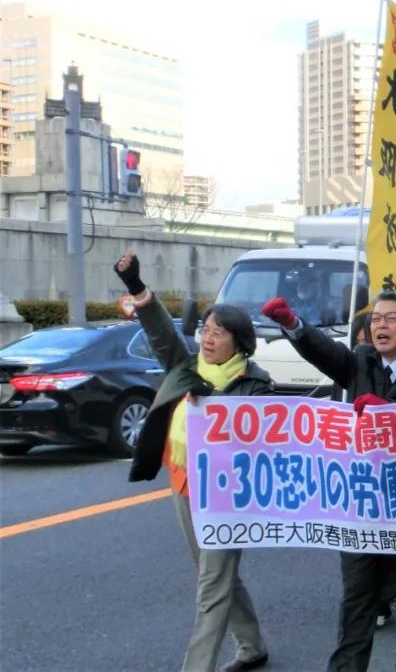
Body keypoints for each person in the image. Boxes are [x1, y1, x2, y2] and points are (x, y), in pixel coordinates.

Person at [261, 290, 396, 672]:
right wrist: (293, 325)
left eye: (391, 318)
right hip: (361, 504)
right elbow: (326, 354)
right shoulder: (362, 362)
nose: (380, 325)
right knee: (357, 598)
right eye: (376, 319)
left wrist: (392, 420)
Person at [116, 251, 271, 672]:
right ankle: (252, 645)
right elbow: (162, 332)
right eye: (205, 329)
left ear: (238, 342)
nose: (208, 338)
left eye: (219, 333)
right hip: (184, 483)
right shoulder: (186, 368)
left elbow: (266, 440)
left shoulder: (255, 384)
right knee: (211, 571)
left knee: (211, 584)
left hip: (228, 495)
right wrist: (136, 285)